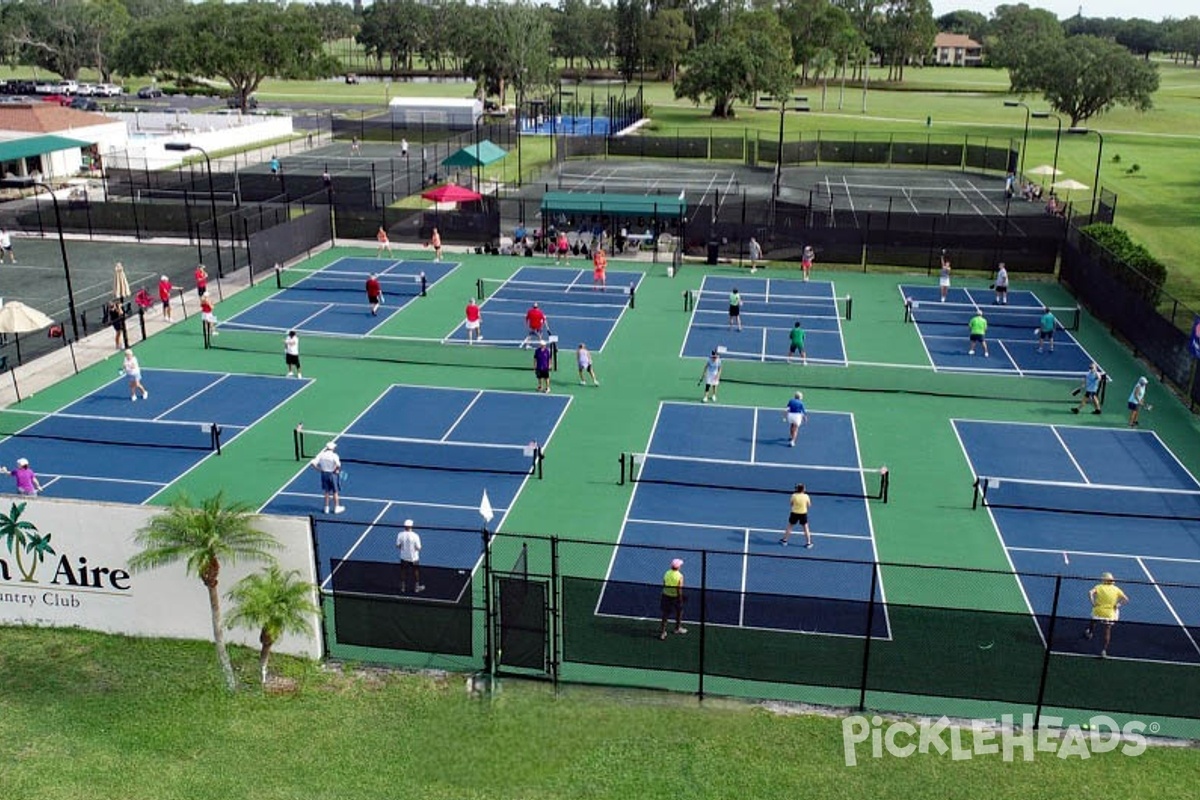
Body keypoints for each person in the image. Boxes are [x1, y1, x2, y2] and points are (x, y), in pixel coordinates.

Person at [1084, 572, 1129, 658]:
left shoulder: (1099, 587)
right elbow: (1126, 599)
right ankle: (1104, 650)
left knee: (1093, 621)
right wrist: (1118, 605)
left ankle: (1090, 632)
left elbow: (1090, 593)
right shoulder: (1116, 589)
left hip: (1098, 611)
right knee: (1107, 630)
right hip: (1110, 614)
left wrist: (1093, 602)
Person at [309, 441, 344, 514]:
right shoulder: (335, 455)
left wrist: (320, 470)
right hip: (332, 474)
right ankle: (336, 507)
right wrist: (335, 470)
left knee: (327, 491)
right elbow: (338, 465)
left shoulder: (321, 455)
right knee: (335, 492)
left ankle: (326, 508)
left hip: (324, 474)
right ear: (333, 448)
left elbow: (312, 463)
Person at [658, 558, 687, 640]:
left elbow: (664, 583)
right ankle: (677, 628)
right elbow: (679, 589)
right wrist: (680, 598)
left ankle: (663, 632)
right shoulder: (680, 576)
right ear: (678, 567)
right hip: (675, 597)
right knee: (679, 611)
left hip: (666, 595)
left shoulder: (667, 573)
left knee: (665, 614)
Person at [395, 519, 424, 593]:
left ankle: (403, 587)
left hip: (404, 557)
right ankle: (417, 588)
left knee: (403, 571)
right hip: (414, 558)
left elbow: (398, 546)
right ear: (411, 526)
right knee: (416, 571)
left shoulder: (400, 534)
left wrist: (403, 548)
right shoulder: (415, 536)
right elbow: (419, 548)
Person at [780, 483, 813, 548]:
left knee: (790, 526)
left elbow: (791, 504)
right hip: (803, 513)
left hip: (794, 513)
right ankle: (808, 543)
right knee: (806, 528)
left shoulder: (793, 496)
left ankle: (785, 540)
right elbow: (809, 505)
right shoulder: (806, 496)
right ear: (803, 489)